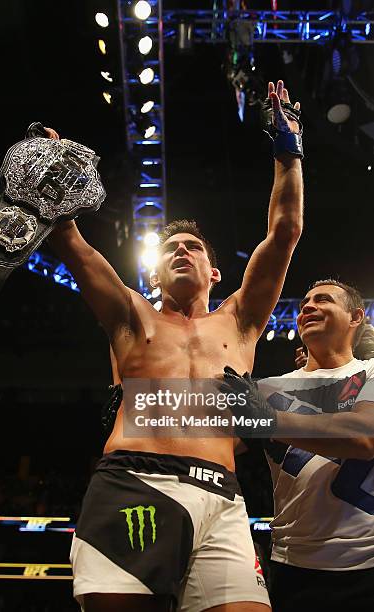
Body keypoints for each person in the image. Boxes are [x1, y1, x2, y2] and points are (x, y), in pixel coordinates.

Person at [47, 80, 303, 612]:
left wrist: (288, 150)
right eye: (170, 248)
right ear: (154, 270)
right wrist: (52, 177)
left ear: (213, 270)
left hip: (223, 496)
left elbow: (285, 232)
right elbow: (70, 242)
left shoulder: (241, 322)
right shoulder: (129, 312)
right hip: (134, 483)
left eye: (192, 246)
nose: (181, 251)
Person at [223, 279, 374, 612]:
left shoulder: (371, 372)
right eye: (305, 302)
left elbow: (364, 437)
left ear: (355, 317)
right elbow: (214, 450)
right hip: (292, 565)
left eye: (323, 300)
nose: (307, 306)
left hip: (367, 564)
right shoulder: (265, 390)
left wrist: (272, 420)